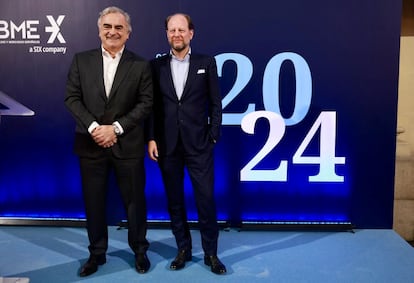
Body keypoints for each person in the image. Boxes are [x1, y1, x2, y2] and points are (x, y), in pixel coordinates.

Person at [65, 6, 153, 277]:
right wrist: (95, 128)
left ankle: (139, 251)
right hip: (91, 144)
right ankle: (96, 254)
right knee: (94, 202)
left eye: (119, 28)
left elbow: (146, 102)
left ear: (128, 33)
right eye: (108, 26)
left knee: (135, 201)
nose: (112, 32)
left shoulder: (141, 65)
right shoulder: (81, 60)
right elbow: (72, 98)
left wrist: (115, 128)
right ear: (99, 30)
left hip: (128, 145)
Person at [147, 13, 226, 275]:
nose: (176, 34)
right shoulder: (155, 66)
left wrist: (213, 134)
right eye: (172, 30)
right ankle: (183, 249)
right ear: (167, 34)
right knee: (175, 201)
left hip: (199, 145)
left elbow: (216, 103)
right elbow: (152, 108)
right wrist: (151, 138)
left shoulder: (207, 62)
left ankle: (211, 254)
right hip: (167, 146)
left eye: (181, 30)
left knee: (205, 200)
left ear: (191, 33)